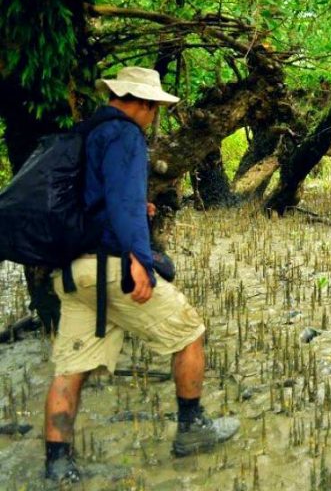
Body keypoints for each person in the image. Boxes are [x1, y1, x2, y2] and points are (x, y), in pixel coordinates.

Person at [44, 67, 238, 483]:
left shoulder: (85, 133)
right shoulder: (125, 134)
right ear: (145, 104)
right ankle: (192, 429)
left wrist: (132, 211)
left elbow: (96, 200)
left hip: (74, 272)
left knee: (70, 368)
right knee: (189, 332)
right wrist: (141, 261)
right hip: (111, 268)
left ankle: (57, 464)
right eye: (155, 109)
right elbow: (124, 202)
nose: (153, 118)